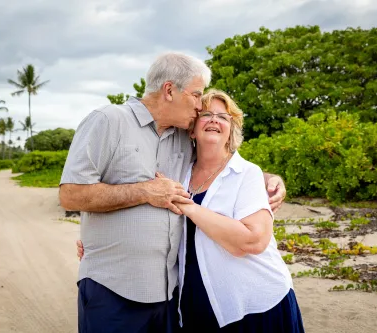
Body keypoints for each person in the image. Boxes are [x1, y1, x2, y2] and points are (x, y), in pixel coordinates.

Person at [60, 52, 287, 333]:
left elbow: (220, 161)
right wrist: (144, 191)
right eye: (196, 95)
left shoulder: (182, 136)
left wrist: (268, 178)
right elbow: (71, 194)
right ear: (169, 90)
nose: (198, 105)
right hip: (112, 287)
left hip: (168, 296)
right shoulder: (108, 121)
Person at [171, 89, 304, 332]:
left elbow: (253, 241)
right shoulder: (178, 174)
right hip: (195, 302)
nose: (214, 120)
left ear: (231, 129)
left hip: (255, 305)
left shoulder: (247, 174)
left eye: (223, 117)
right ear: (192, 128)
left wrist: (189, 207)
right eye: (206, 114)